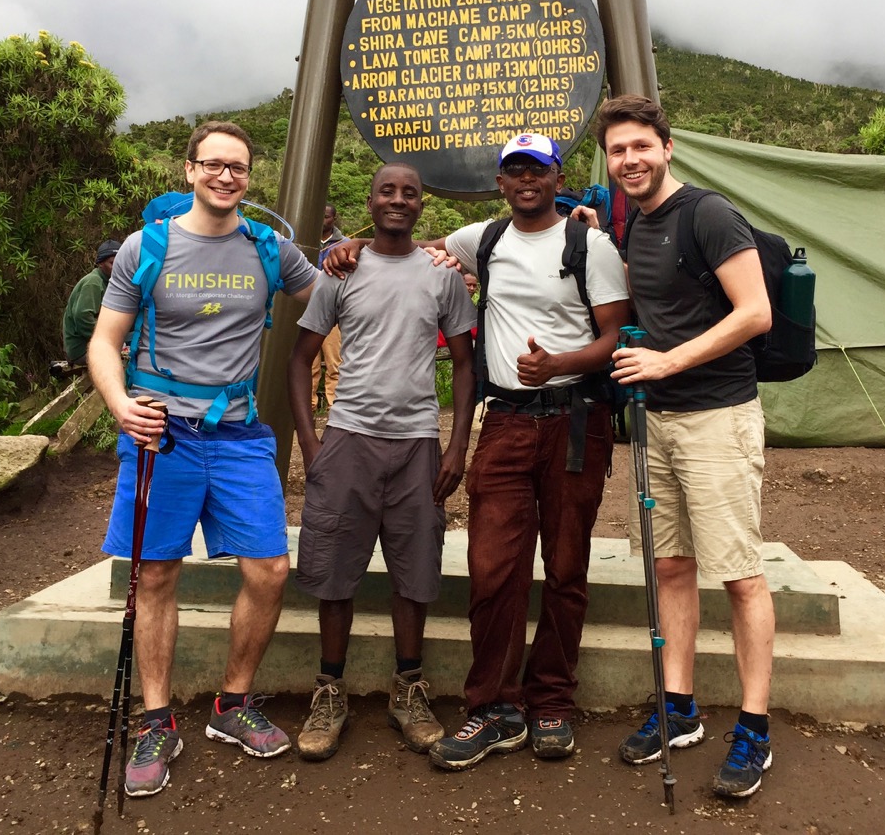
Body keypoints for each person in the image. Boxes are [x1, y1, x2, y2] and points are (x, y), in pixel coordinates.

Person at [329, 132, 629, 770]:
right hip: (506, 423)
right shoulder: (481, 240)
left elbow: (614, 334)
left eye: (538, 170)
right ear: (500, 182)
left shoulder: (590, 245)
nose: (526, 181)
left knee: (567, 565)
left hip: (577, 418)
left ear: (558, 176)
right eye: (514, 171)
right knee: (495, 567)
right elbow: (409, 248)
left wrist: (561, 364)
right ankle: (493, 706)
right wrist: (347, 247)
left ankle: (551, 702)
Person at [87, 120, 318, 798]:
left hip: (241, 430)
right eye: (213, 165)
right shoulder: (147, 246)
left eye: (238, 168)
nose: (226, 176)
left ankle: (231, 704)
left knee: (270, 570)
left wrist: (407, 258)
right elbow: (106, 341)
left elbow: (333, 292)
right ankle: (157, 719)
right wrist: (119, 405)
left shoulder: (269, 248)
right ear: (189, 171)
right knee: (156, 575)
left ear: (250, 178)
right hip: (161, 433)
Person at [597, 95, 777, 799]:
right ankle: (680, 710)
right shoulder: (636, 225)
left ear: (667, 147)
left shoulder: (708, 214)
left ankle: (755, 731)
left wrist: (670, 362)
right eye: (618, 151)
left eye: (641, 146)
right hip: (659, 421)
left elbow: (755, 312)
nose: (631, 160)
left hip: (717, 418)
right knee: (671, 567)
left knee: (738, 574)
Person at [286, 163, 476, 761]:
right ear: (368, 201)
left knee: (415, 571)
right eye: (387, 192)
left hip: (418, 442)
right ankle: (329, 691)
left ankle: (409, 689)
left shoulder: (442, 276)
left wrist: (456, 445)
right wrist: (311, 446)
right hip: (348, 439)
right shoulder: (339, 272)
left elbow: (466, 364)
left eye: (410, 193)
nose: (398, 200)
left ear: (423, 205)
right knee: (334, 565)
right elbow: (300, 360)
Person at [61, 239, 121, 365]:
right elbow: (82, 317)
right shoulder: (93, 282)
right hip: (81, 350)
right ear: (100, 263)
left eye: (120, 263)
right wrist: (111, 339)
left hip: (96, 344)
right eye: (112, 263)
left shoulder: (110, 283)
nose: (116, 267)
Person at [311, 204, 346, 410]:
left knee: (336, 362)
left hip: (333, 312)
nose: (323, 220)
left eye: (326, 216)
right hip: (306, 309)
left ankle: (335, 407)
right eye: (319, 216)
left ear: (334, 218)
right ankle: (309, 406)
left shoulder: (345, 244)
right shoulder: (305, 240)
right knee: (310, 363)